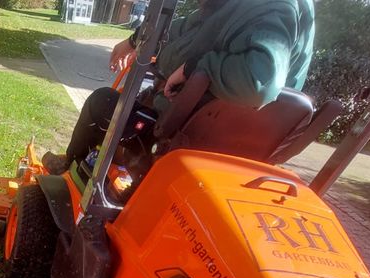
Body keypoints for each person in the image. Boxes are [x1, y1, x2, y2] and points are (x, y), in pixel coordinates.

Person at [42, 0, 316, 175]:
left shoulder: (271, 7)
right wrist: (135, 39)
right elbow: (184, 29)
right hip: (231, 138)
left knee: (103, 102)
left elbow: (260, 83)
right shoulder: (239, 9)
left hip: (189, 131)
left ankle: (69, 167)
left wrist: (192, 68)